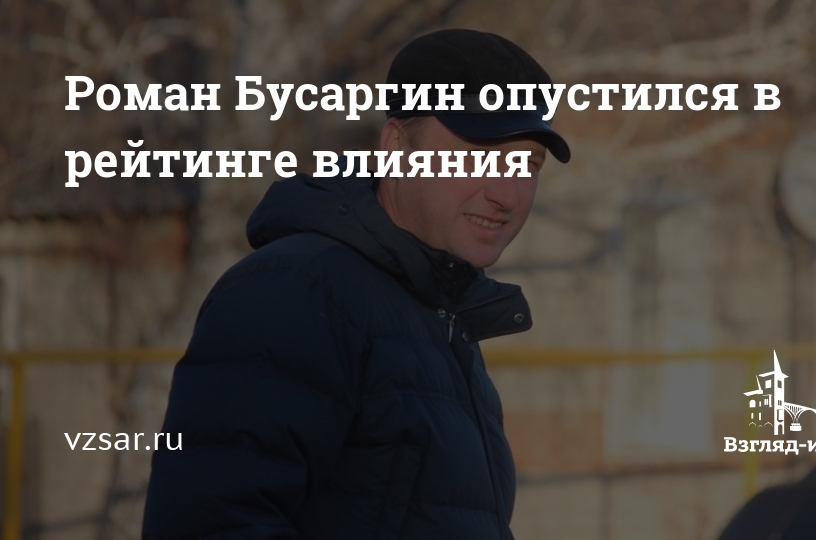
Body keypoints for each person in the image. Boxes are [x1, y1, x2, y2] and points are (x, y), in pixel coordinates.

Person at [142, 28, 570, 540]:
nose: (507, 194)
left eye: (526, 164)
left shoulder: (438, 317)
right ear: (396, 144)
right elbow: (212, 524)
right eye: (478, 155)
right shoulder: (296, 293)